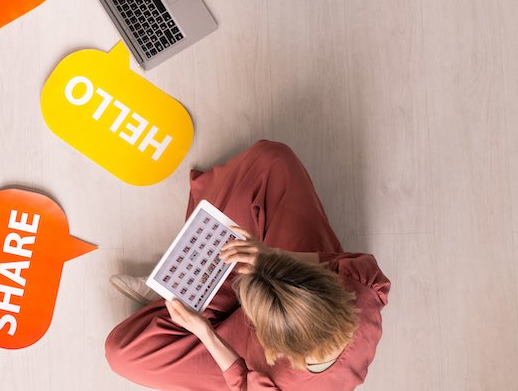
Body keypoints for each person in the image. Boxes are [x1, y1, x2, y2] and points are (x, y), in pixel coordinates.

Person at [104, 141, 390, 390]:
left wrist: (204, 331)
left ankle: (183, 288)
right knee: (272, 161)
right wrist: (271, 256)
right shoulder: (361, 289)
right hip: (288, 279)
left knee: (122, 353)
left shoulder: (284, 382)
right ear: (327, 286)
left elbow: (241, 382)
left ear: (274, 347)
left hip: (239, 349)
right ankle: (187, 284)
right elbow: (333, 262)